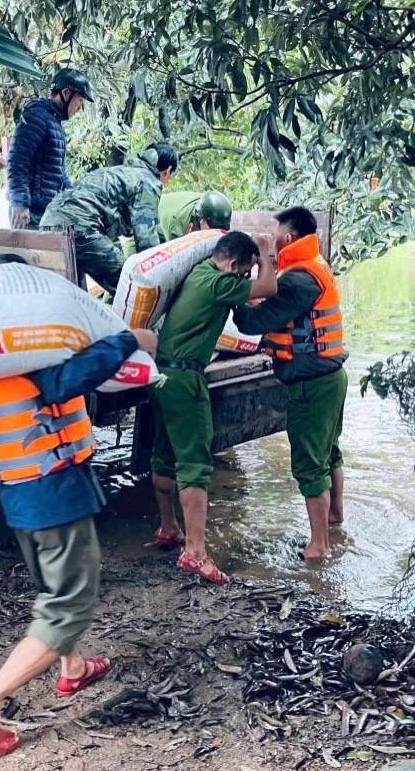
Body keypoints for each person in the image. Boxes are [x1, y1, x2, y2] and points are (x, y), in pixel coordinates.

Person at [0, 253, 158, 755]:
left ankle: (73, 667)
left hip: (21, 494)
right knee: (67, 606)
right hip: (53, 495)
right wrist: (130, 339)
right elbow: (67, 380)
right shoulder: (21, 347)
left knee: (53, 588)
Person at [150, 231, 277, 584]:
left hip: (160, 375)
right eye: (244, 271)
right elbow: (269, 289)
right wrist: (266, 254)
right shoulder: (220, 282)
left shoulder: (199, 273)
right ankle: (195, 553)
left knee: (164, 453)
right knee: (195, 464)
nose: (244, 279)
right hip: (185, 381)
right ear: (234, 264)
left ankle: (168, 527)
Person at [232, 207, 348, 560]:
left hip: (311, 384)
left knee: (309, 465)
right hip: (330, 378)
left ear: (290, 238)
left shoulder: (299, 279)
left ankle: (319, 546)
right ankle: (334, 520)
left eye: (277, 232)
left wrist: (237, 294)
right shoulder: (315, 265)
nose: (274, 237)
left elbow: (252, 323)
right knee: (329, 453)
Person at [39, 142, 178, 295]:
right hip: (79, 228)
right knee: (131, 288)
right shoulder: (148, 182)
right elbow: (146, 242)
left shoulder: (121, 171)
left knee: (76, 297)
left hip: (48, 224)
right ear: (168, 171)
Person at [7, 69, 94, 229]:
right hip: (29, 213)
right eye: (80, 100)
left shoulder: (54, 123)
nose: (80, 108)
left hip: (45, 212)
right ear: (66, 93)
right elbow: (17, 162)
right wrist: (20, 203)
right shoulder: (37, 117)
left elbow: (59, 172)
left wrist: (76, 198)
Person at [158, 190, 232, 242]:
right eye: (213, 227)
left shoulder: (206, 202)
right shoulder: (177, 225)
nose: (215, 231)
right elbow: (174, 256)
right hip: (154, 220)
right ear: (201, 219)